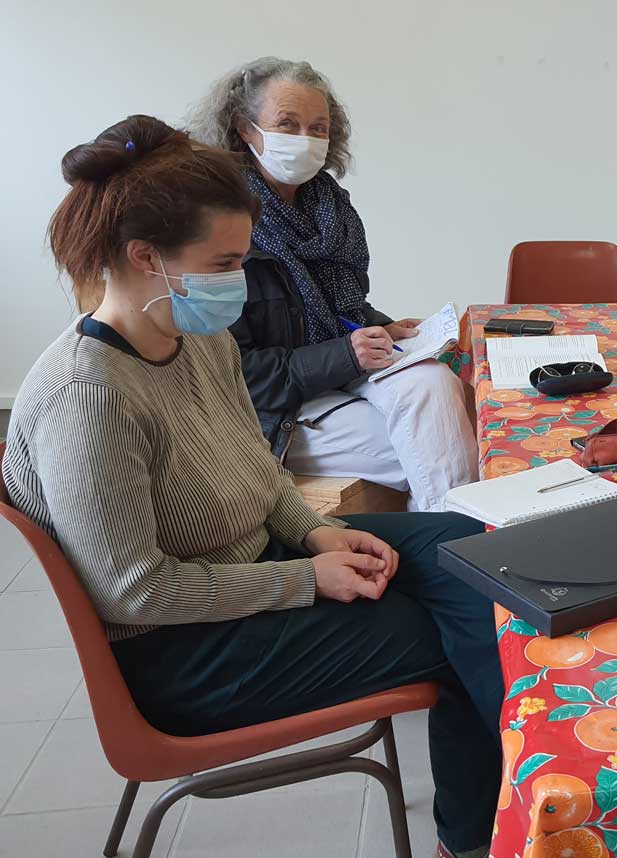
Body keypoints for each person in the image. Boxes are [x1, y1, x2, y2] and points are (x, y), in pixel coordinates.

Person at [2, 115, 501, 858]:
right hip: (180, 653)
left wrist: (316, 531)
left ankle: (524, 798)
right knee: (464, 635)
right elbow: (133, 594)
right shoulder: (90, 394)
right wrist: (307, 578)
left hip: (254, 564)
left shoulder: (195, 334)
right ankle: (492, 832)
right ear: (145, 257)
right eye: (226, 261)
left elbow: (259, 468)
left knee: (474, 552)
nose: (239, 281)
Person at [187, 58, 479, 512]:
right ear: (245, 129)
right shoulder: (220, 224)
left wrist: (381, 326)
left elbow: (326, 311)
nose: (305, 140)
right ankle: (457, 547)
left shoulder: (329, 205)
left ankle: (446, 543)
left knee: (434, 383)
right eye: (288, 124)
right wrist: (345, 353)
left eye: (318, 128)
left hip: (338, 376)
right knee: (441, 445)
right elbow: (233, 377)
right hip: (275, 411)